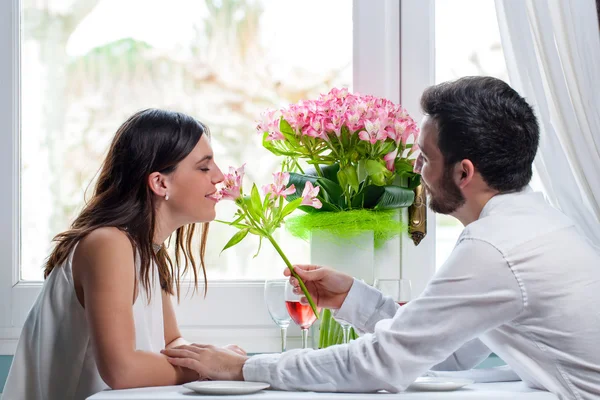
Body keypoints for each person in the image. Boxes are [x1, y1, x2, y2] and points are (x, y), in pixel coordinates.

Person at [160, 77, 600, 400]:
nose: (418, 175)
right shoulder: (536, 225)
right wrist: (353, 297)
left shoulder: (494, 249)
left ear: (463, 172)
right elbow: (453, 350)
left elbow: (381, 364)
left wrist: (243, 367)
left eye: (426, 159)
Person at [3, 109, 246, 400]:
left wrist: (212, 358)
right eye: (204, 168)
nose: (219, 177)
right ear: (160, 183)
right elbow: (122, 370)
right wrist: (213, 367)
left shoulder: (145, 251)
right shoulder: (108, 243)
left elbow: (171, 342)